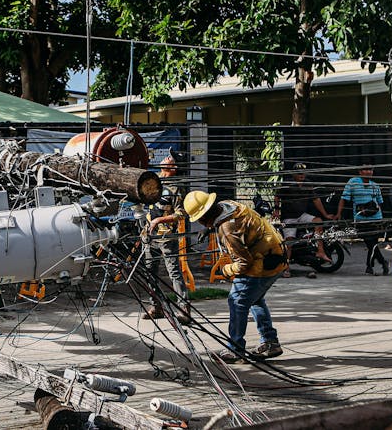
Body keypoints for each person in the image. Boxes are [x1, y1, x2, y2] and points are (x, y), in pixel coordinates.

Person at [183, 190, 287, 363]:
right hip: (276, 254)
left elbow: (244, 262)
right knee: (254, 299)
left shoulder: (227, 230)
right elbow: (230, 224)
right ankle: (270, 342)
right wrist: (209, 230)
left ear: (204, 216)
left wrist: (226, 270)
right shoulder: (228, 205)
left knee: (237, 300)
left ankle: (235, 349)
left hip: (263, 263)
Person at [141, 155, 192, 324]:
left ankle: (184, 309)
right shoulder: (151, 181)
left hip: (166, 237)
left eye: (171, 158)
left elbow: (181, 214)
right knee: (150, 273)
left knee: (174, 273)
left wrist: (158, 220)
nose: (167, 157)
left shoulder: (175, 189)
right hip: (149, 236)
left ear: (174, 167)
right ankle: (155, 307)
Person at [277, 163, 335, 266]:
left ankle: (320, 251)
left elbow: (316, 199)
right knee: (289, 241)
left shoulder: (308, 184)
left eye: (303, 173)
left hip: (301, 215)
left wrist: (325, 214)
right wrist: (276, 211)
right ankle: (286, 267)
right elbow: (277, 196)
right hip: (289, 218)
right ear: (294, 174)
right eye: (299, 173)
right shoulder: (288, 183)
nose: (301, 175)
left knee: (318, 221)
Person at [337, 165, 387, 276]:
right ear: (360, 172)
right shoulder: (353, 182)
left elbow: (379, 203)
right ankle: (382, 262)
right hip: (360, 218)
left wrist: (382, 220)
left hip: (376, 218)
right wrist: (338, 214)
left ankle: (370, 267)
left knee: (372, 243)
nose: (369, 172)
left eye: (370, 170)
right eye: (366, 169)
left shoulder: (375, 185)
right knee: (370, 242)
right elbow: (343, 199)